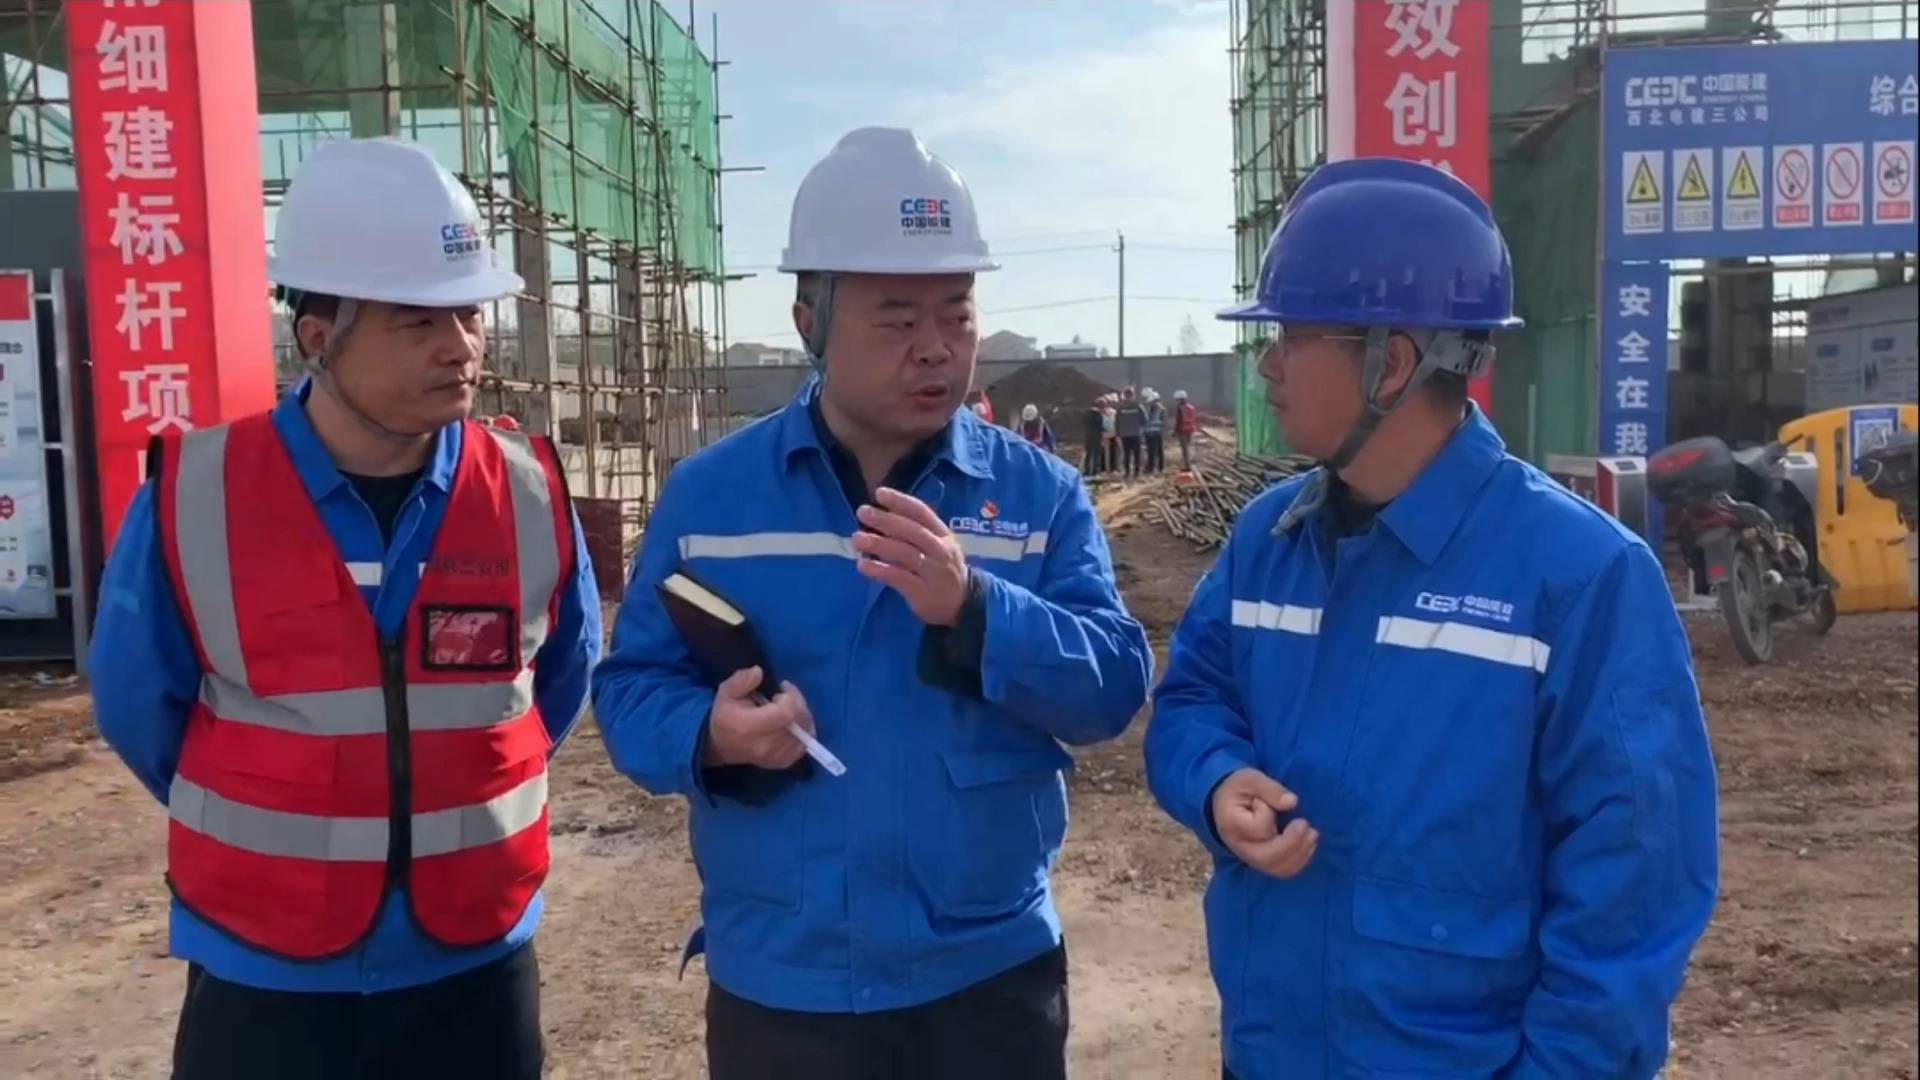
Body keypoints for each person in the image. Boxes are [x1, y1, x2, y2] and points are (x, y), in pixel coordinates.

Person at [590, 126, 1152, 1080]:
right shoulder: (712, 498)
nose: (937, 348)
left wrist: (977, 609)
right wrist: (710, 734)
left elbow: (1112, 688)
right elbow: (631, 687)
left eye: (958, 314)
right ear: (809, 319)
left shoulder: (1038, 495)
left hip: (987, 976)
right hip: (786, 983)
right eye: (897, 319)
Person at [1140, 158, 1718, 1079]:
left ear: (1393, 364)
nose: (1268, 363)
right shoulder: (1267, 541)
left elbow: (1634, 892)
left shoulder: (1582, 576)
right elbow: (1192, 700)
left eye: (1292, 335)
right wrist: (1214, 780)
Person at [88, 137, 604, 1080]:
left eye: (470, 314)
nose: (461, 346)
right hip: (265, 974)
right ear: (318, 335)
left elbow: (560, 682)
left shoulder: (527, 491)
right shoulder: (197, 495)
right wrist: (285, 804)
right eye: (419, 320)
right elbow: (138, 708)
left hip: (472, 965)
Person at [1080, 397, 1107, 476]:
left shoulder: (1087, 413)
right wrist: (1105, 430)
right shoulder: (1098, 414)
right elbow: (1100, 426)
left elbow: (1082, 423)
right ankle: (1095, 471)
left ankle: (1087, 470)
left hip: (1088, 436)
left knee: (1088, 454)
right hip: (1096, 436)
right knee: (1096, 454)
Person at [1141, 388, 1167, 473]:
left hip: (1155, 432)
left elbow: (1163, 422)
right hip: (1150, 432)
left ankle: (1154, 467)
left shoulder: (1160, 409)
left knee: (1155, 450)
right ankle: (1155, 466)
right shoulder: (1150, 409)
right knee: (1153, 450)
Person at [1172, 389, 1198, 469]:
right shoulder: (1191, 407)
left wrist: (1175, 431)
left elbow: (1179, 421)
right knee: (1189, 447)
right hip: (1191, 429)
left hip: (1182, 430)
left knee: (1185, 449)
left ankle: (1187, 466)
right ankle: (1190, 464)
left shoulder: (1180, 408)